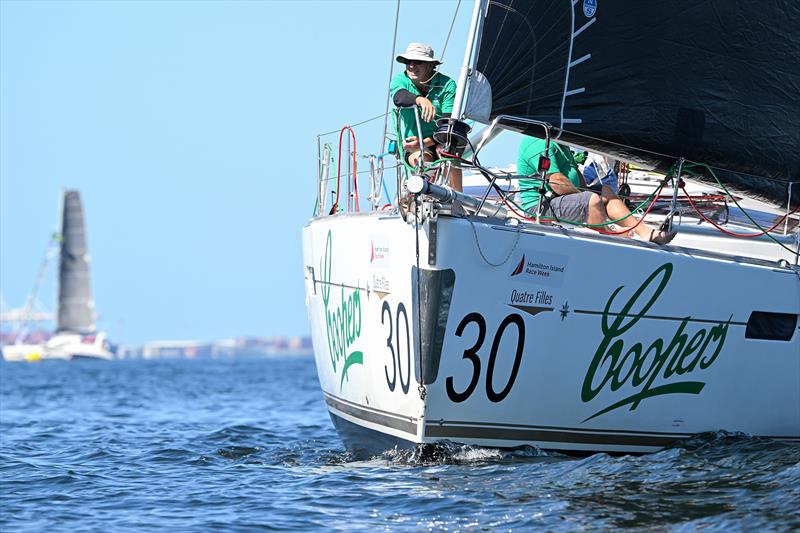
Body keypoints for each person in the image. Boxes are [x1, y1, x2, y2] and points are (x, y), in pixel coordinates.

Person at [517, 137, 676, 245]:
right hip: (539, 206)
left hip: (559, 199)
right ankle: (611, 234)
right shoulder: (537, 142)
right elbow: (557, 182)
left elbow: (575, 174)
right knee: (592, 200)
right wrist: (585, 197)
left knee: (605, 191)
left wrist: (586, 192)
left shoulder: (560, 141)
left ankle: (645, 232)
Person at [390, 42, 462, 192]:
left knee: (448, 153)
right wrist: (420, 100)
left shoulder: (447, 85)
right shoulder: (400, 80)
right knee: (424, 159)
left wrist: (423, 143)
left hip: (439, 139)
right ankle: (421, 196)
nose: (411, 66)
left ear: (431, 65)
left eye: (418, 62)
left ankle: (458, 201)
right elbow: (399, 97)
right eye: (408, 62)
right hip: (413, 145)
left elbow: (448, 126)